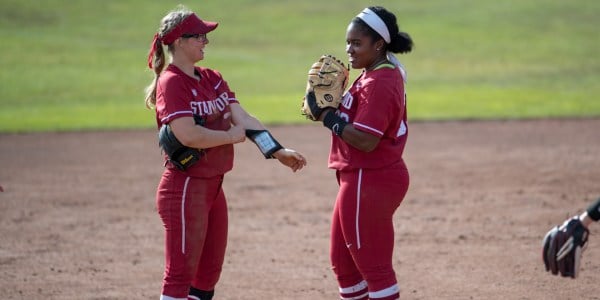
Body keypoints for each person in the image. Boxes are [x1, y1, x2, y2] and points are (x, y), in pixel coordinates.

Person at [144, 5, 306, 300]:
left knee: (207, 276)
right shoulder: (171, 82)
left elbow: (243, 118)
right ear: (180, 40)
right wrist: (228, 137)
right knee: (179, 274)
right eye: (200, 36)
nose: (206, 41)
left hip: (213, 188)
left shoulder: (211, 78)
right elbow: (188, 134)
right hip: (184, 189)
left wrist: (276, 150)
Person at [308, 6, 413, 300]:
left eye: (357, 43)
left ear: (378, 44)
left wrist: (327, 117)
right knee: (345, 266)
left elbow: (366, 140)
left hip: (371, 179)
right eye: (348, 42)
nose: (349, 50)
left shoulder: (380, 82)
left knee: (374, 268)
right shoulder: (371, 74)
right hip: (360, 179)